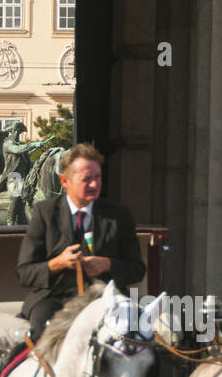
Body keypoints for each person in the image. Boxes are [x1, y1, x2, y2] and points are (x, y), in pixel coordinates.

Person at [16, 142, 146, 336]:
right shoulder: (44, 212)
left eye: (98, 177)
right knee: (43, 334)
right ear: (64, 181)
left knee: (138, 338)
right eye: (87, 179)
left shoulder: (120, 216)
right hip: (55, 299)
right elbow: (24, 273)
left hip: (106, 298)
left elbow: (137, 270)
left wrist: (107, 265)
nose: (94, 184)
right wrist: (56, 264)